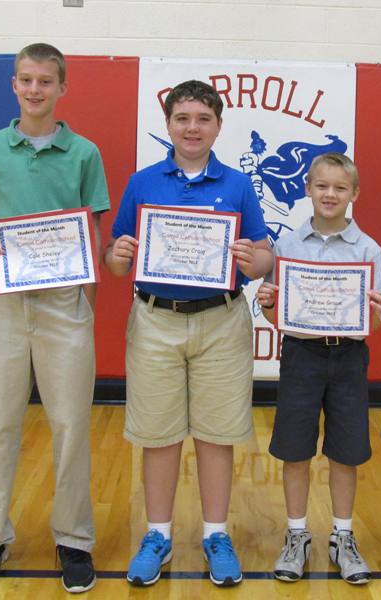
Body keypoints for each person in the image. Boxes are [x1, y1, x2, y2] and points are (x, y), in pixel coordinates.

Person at [104, 80, 272, 587]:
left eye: (203, 119)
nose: (192, 128)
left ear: (218, 126)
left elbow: (264, 256)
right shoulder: (142, 182)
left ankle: (216, 534)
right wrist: (118, 255)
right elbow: (116, 259)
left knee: (217, 435)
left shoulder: (237, 185)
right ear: (169, 125)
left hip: (221, 320)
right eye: (183, 118)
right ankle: (157, 534)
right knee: (158, 434)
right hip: (155, 319)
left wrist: (253, 258)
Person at [0, 43, 110, 594]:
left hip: (64, 302)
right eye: (26, 79)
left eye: (45, 81)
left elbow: (93, 232)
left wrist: (84, 305)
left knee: (70, 426)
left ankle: (74, 539)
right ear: (13, 84)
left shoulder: (84, 153)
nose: (34, 89)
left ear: (62, 87)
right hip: (2, 301)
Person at [255, 153, 381, 585]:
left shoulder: (369, 250)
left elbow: (372, 321)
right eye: (322, 186)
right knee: (295, 449)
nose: (330, 194)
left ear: (354, 194)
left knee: (346, 452)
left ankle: (342, 536)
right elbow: (277, 316)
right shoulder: (287, 246)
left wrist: (377, 312)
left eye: (340, 188)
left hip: (348, 358)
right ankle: (296, 534)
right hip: (302, 355)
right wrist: (268, 304)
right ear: (308, 188)